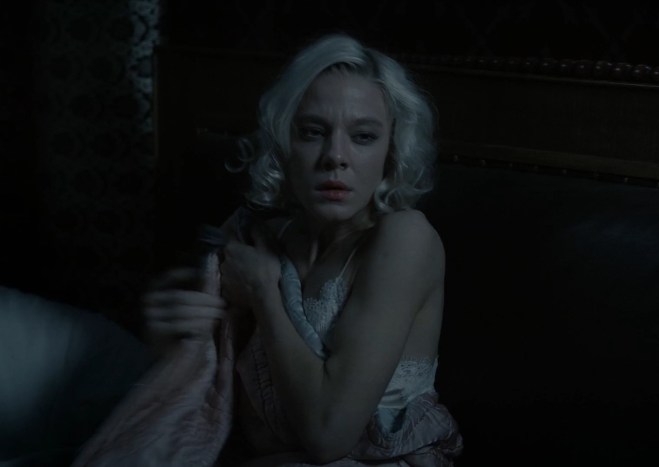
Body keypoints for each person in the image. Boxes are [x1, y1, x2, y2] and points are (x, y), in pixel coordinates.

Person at [75, 33, 462, 466]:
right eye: (312, 132)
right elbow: (196, 389)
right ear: (283, 141)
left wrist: (264, 295)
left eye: (363, 136)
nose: (335, 156)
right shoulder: (254, 238)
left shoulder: (405, 238)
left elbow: (328, 436)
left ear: (391, 151)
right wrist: (172, 335)